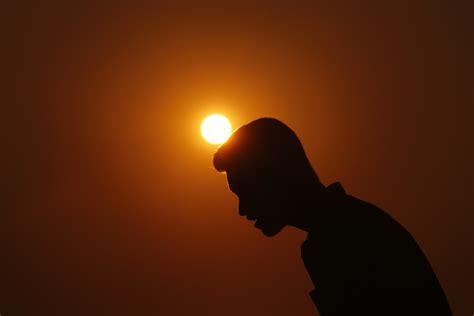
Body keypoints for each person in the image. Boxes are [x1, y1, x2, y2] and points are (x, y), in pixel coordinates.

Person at [213, 118, 452, 315]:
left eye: (246, 193)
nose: (242, 210)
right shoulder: (355, 221)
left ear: (273, 180)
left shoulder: (334, 240)